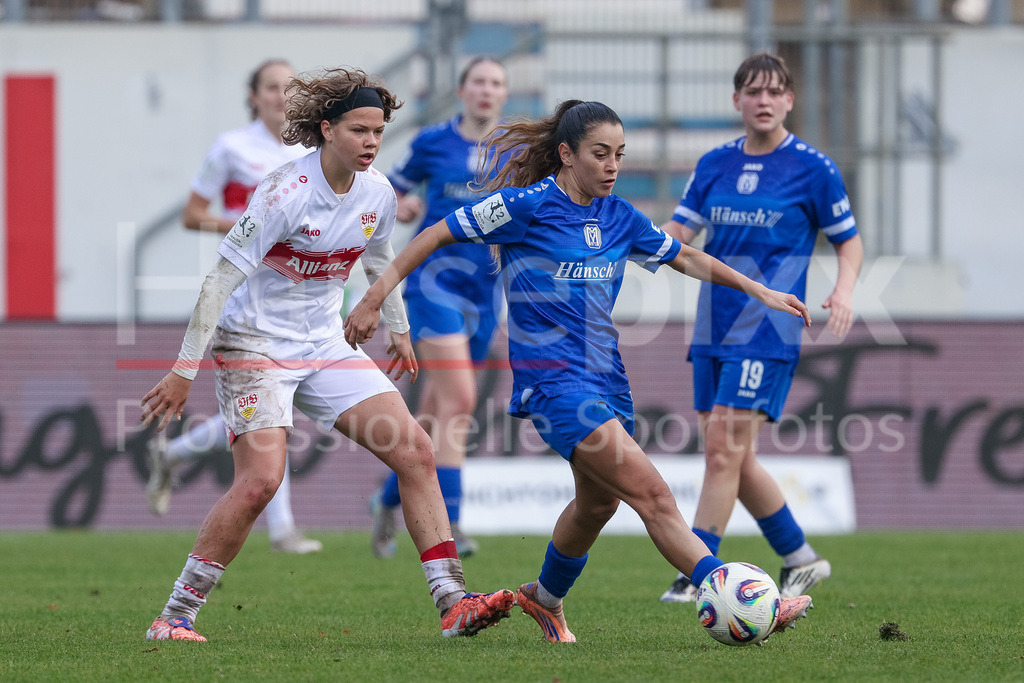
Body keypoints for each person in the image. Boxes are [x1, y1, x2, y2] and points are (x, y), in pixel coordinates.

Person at [345, 99, 814, 643]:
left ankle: (544, 598)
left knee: (598, 503)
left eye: (620, 154)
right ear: (566, 155)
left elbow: (685, 257)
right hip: (555, 385)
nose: (613, 165)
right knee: (654, 496)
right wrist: (377, 296)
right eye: (600, 154)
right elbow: (435, 235)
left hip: (608, 380)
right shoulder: (525, 206)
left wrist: (758, 289)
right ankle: (743, 596)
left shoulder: (620, 216)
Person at [140, 67, 514, 642]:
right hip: (254, 345)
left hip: (323, 342)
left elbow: (381, 254)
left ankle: (453, 601)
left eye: (378, 132)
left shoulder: (379, 192)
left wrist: (396, 325)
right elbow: (218, 282)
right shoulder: (284, 192)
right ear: (326, 129)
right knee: (262, 481)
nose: (370, 142)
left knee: (414, 448)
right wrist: (182, 371)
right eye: (359, 130)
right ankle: (174, 616)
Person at [657, 53, 864, 604]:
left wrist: (844, 288)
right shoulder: (714, 164)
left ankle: (696, 569)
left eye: (775, 92)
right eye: (753, 91)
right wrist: (641, 241)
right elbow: (680, 228)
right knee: (731, 454)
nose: (764, 100)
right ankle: (800, 556)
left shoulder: (813, 167)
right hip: (713, 322)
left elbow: (848, 238)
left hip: (768, 326)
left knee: (724, 449)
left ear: (789, 100)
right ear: (737, 101)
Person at [145, 59, 321, 555]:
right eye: (272, 87)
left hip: (302, 299)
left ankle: (173, 456)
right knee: (271, 415)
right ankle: (283, 529)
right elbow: (192, 215)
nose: (282, 96)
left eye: (291, 87)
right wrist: (250, 232)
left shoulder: (314, 150)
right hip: (246, 297)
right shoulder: (231, 148)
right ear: (254, 97)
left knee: (268, 414)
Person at [370, 56, 509, 559]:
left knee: (433, 414)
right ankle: (453, 522)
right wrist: (398, 205)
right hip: (433, 285)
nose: (487, 91)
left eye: (496, 83)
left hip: (485, 292)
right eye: (479, 82)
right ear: (462, 90)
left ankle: (387, 501)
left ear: (504, 95)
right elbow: (389, 188)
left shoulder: (515, 151)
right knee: (462, 401)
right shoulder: (433, 142)